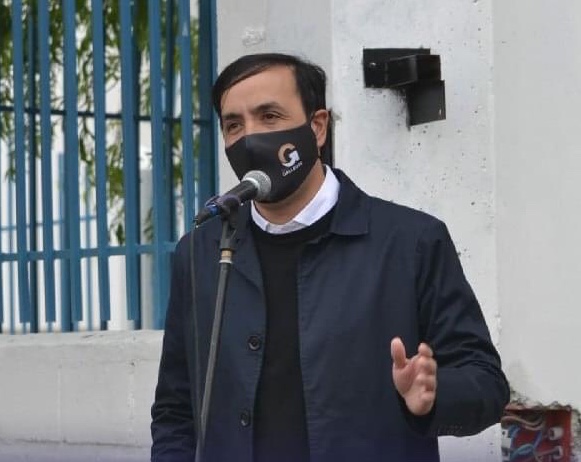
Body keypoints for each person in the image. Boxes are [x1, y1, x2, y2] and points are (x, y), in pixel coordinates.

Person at [151, 53, 510, 462]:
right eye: (234, 124)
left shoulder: (411, 242)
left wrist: (433, 394)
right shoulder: (201, 252)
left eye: (269, 116)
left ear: (317, 127)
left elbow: (486, 383)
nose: (250, 138)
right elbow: (175, 410)